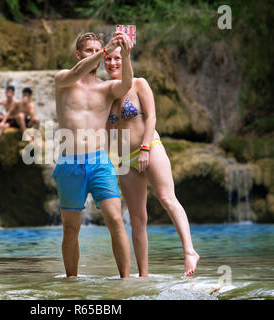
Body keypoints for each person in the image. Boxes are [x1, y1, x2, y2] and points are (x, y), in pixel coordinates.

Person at [104, 47, 200, 277]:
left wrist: (145, 148)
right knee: (137, 218)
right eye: (108, 59)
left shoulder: (139, 84)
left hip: (150, 148)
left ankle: (189, 251)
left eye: (118, 58)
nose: (112, 63)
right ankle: (143, 275)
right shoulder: (106, 91)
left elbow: (152, 117)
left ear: (125, 58)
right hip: (125, 159)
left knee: (167, 198)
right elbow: (106, 131)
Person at [54, 31, 134, 278]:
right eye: (89, 50)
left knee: (115, 220)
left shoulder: (106, 88)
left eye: (97, 51)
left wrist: (127, 56)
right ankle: (72, 282)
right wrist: (106, 48)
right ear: (79, 54)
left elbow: (126, 85)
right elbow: (78, 72)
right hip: (69, 163)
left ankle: (125, 281)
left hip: (100, 161)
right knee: (71, 228)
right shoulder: (64, 79)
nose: (96, 55)